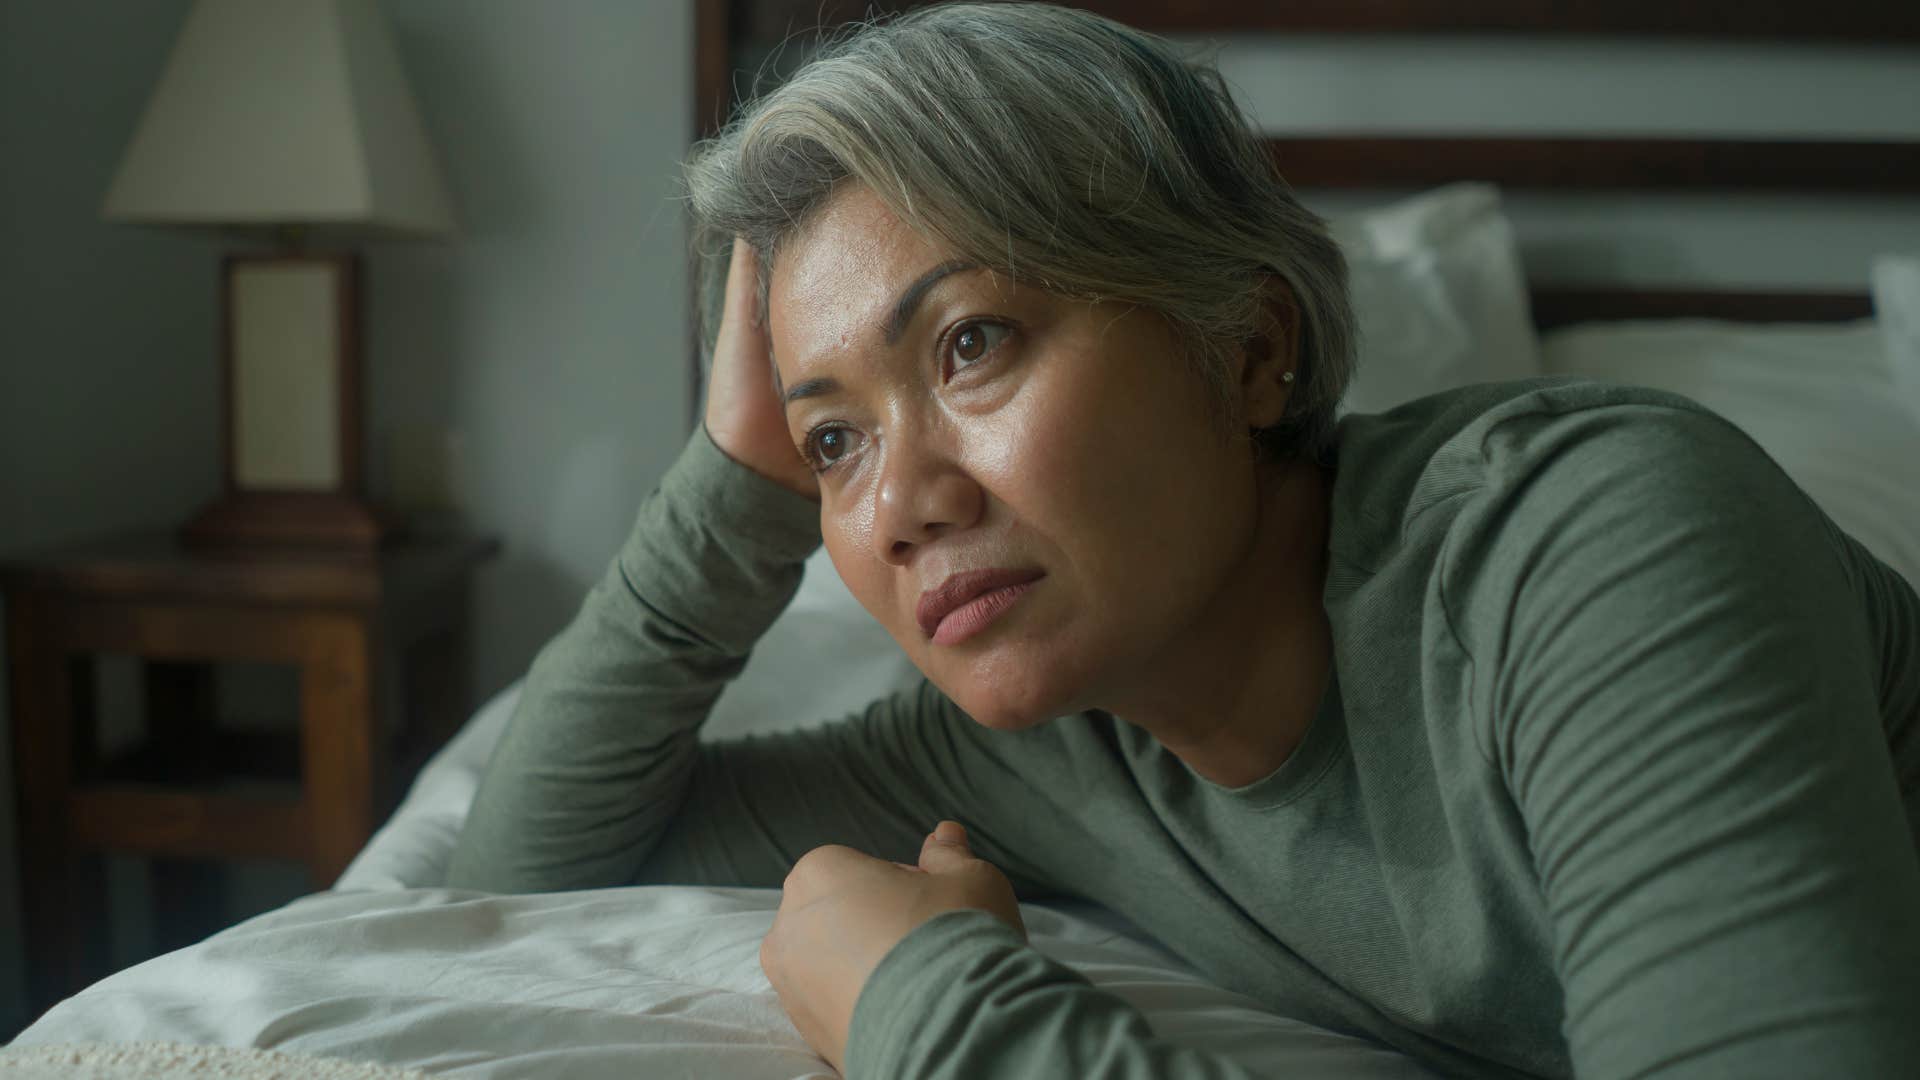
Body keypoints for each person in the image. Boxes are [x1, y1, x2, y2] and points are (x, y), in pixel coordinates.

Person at [445, 4, 1920, 1077]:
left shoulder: (1602, 545)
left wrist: (931, 1001)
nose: (898, 508)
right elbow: (536, 859)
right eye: (836, 440)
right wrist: (737, 470)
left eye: (971, 345)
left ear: (1247, 345)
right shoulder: (1030, 747)